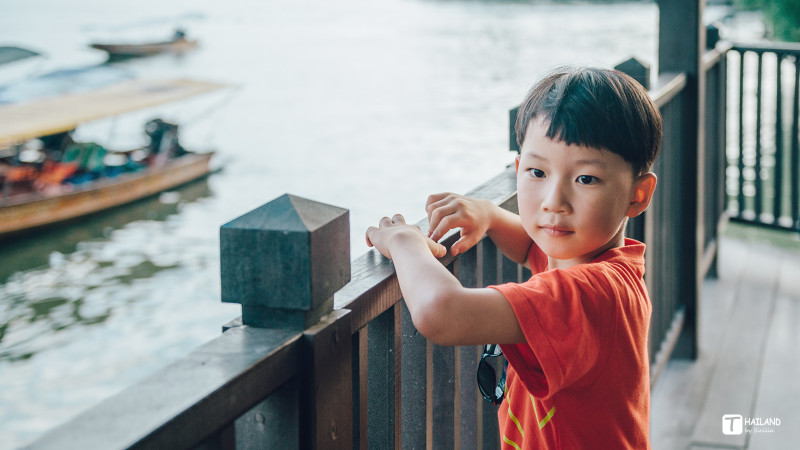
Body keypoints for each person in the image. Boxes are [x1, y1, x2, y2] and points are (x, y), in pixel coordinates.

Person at [365, 66, 662, 449]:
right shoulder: (590, 261)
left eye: (585, 179)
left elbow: (442, 312)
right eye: (538, 172)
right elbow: (530, 246)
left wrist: (406, 243)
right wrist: (489, 215)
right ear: (519, 169)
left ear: (638, 194)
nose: (554, 202)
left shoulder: (594, 294)